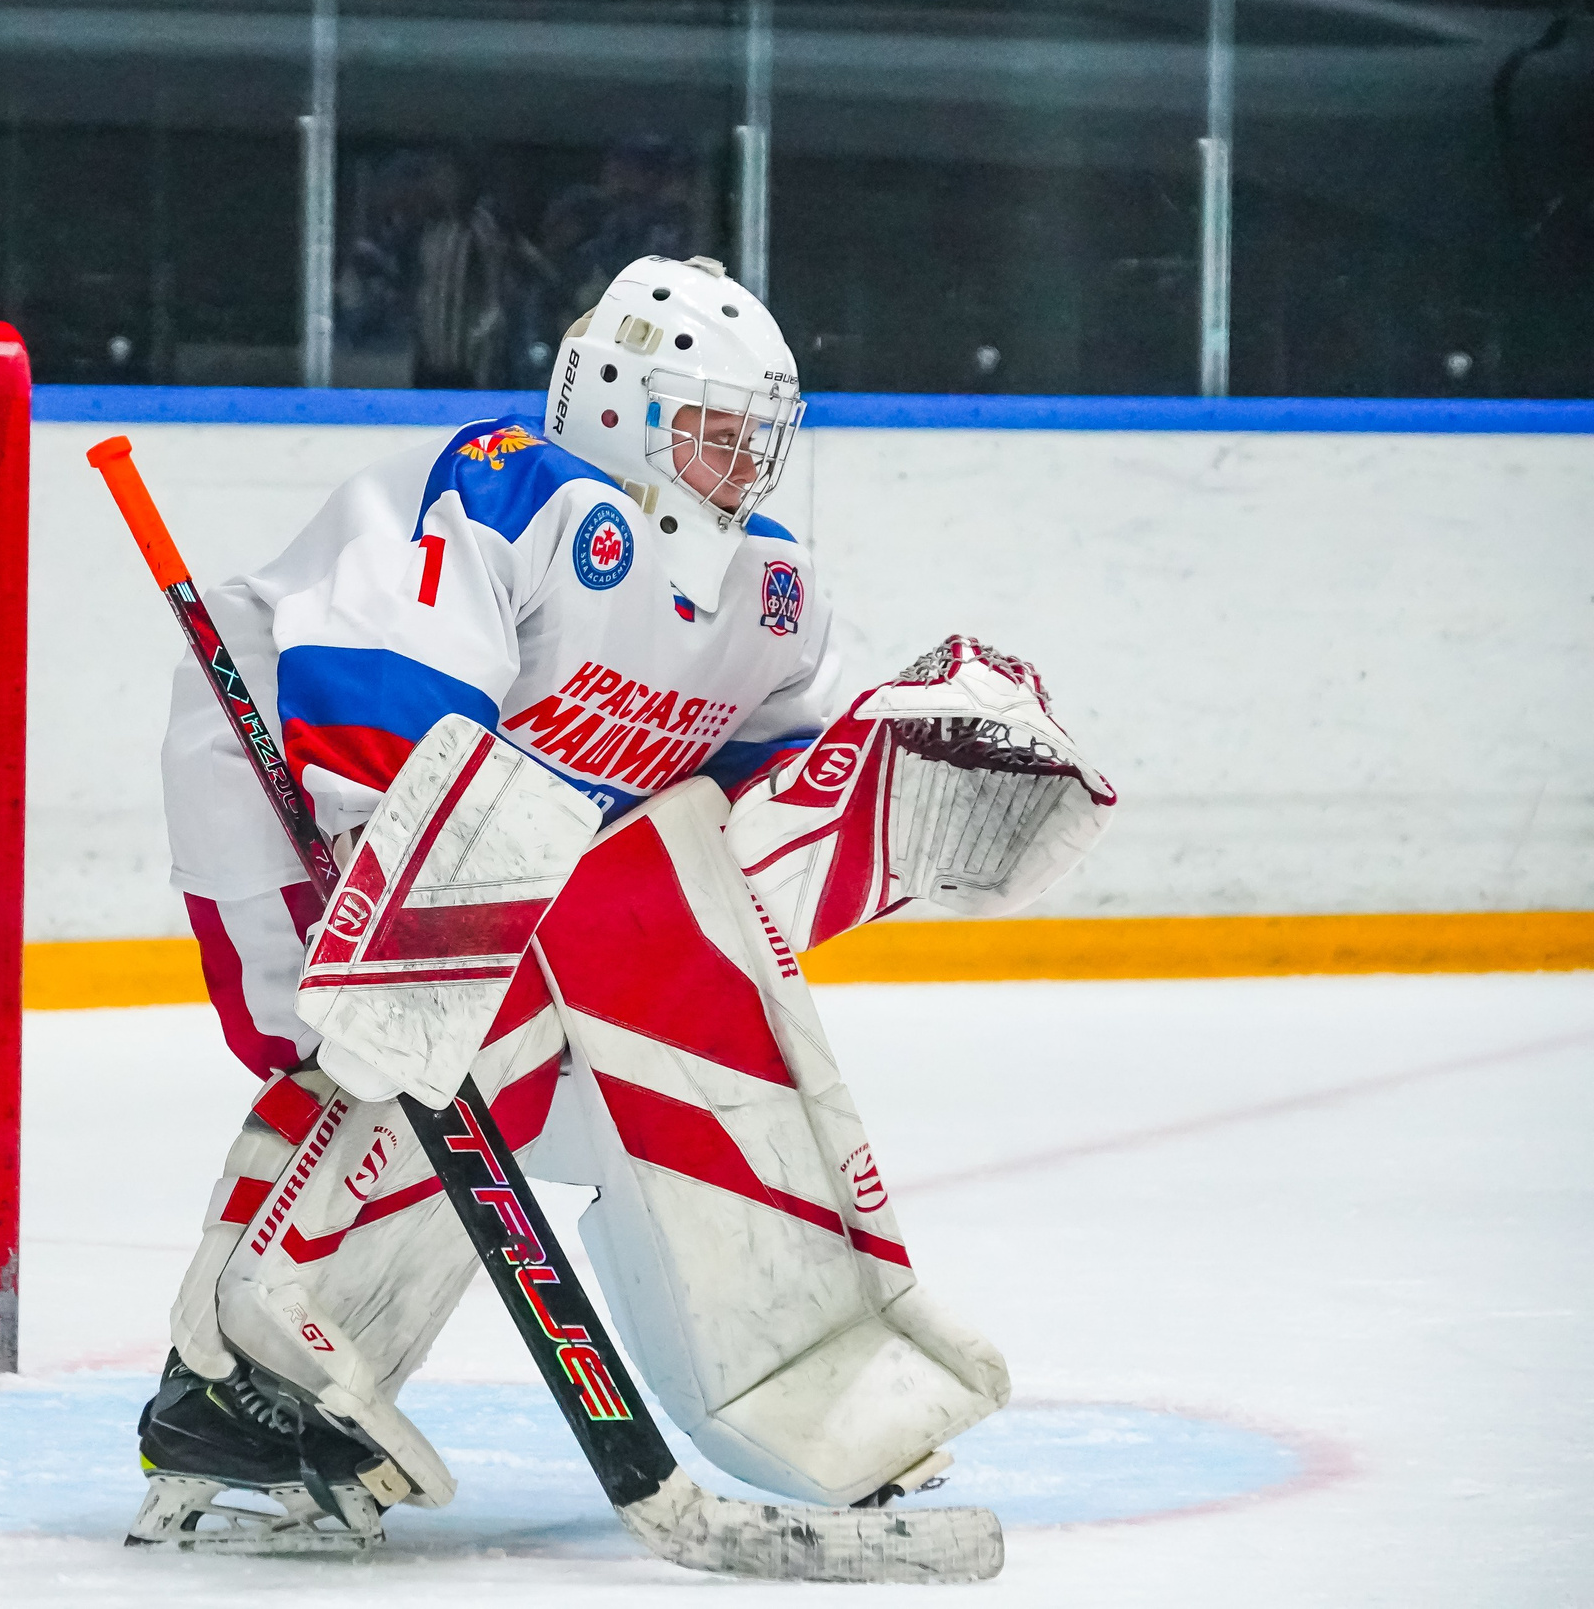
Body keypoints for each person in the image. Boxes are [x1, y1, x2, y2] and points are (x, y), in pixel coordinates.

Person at [128, 253, 1111, 1552]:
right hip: (297, 796)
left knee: (666, 1040)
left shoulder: (774, 591)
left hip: (509, 853)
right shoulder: (513, 490)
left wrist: (882, 784)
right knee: (380, 1059)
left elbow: (729, 829)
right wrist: (421, 928)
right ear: (616, 405)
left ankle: (804, 1377)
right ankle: (241, 1387)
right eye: (712, 429)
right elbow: (378, 716)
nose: (743, 462)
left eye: (761, 436)